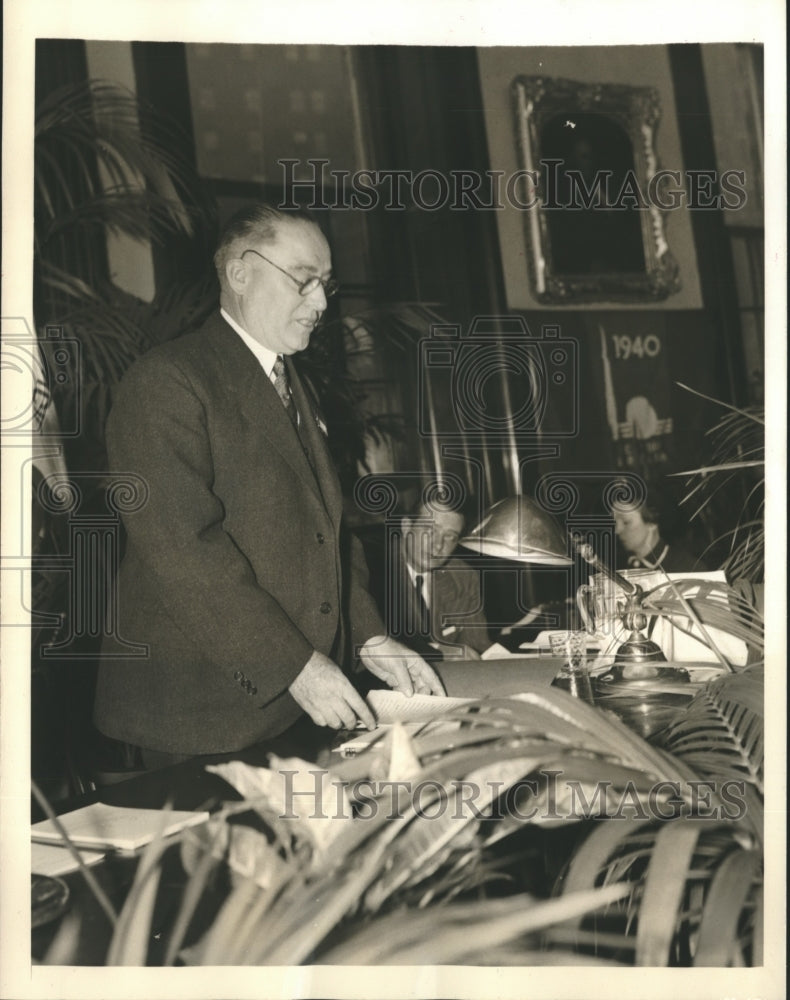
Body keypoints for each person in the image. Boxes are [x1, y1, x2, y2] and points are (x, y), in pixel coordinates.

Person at [93, 203, 443, 761]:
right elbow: (184, 551)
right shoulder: (167, 381)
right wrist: (296, 667)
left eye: (327, 285)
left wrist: (370, 635)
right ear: (240, 273)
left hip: (289, 710)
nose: (322, 303)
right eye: (305, 281)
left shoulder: (291, 382)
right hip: (198, 719)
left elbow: (326, 530)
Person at [366, 496, 490, 661]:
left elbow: (477, 646)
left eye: (450, 537)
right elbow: (372, 644)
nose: (438, 545)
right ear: (406, 527)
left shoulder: (464, 577)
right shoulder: (372, 570)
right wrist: (438, 651)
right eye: (430, 530)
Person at [611, 495, 708, 573]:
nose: (617, 530)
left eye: (626, 522)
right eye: (614, 523)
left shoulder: (690, 569)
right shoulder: (617, 569)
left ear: (652, 522)